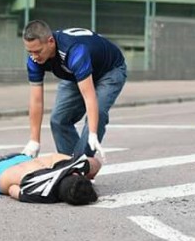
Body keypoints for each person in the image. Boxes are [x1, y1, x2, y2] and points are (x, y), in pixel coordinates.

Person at [21, 20, 127, 161]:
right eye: (30, 52)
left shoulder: (74, 51)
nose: (34, 56)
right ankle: (71, 165)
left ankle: (82, 163)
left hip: (109, 71)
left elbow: (89, 97)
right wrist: (34, 140)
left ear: (50, 41)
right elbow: (36, 100)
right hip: (75, 74)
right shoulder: (34, 60)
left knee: (98, 113)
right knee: (58, 119)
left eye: (38, 51)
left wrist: (93, 134)